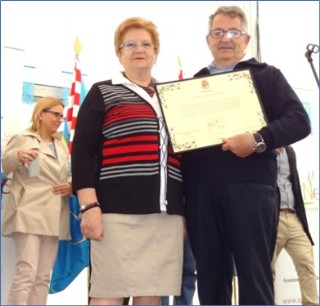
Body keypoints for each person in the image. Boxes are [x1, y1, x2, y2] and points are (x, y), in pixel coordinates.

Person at [181, 5, 311, 305]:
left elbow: (299, 121)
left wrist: (257, 140)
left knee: (255, 277)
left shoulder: (267, 76)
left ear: (246, 39)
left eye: (233, 32)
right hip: (200, 194)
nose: (225, 38)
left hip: (251, 192)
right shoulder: (190, 85)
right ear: (208, 39)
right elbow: (182, 148)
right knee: (210, 279)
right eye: (218, 32)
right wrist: (183, 201)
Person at [71, 17, 184, 305]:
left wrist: (184, 210)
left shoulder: (174, 97)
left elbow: (185, 156)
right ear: (119, 53)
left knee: (151, 296)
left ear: (156, 52)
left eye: (146, 44)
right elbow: (82, 151)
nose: (139, 49)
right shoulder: (102, 91)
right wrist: (89, 206)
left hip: (164, 216)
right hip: (115, 214)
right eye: (130, 44)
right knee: (108, 295)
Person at [1, 96, 72, 305]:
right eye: (56, 114)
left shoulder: (61, 146)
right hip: (29, 211)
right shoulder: (23, 137)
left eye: (62, 116)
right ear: (41, 113)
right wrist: (17, 156)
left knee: (42, 277)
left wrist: (71, 184)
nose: (60, 119)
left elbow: (68, 173)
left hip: (54, 214)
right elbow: (5, 165)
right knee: (27, 273)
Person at [272, 146, 318, 305]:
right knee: (266, 270)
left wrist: (305, 227)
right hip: (271, 218)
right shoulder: (260, 150)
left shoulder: (290, 151)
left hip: (293, 215)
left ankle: (311, 303)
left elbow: (295, 185)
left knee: (306, 263)